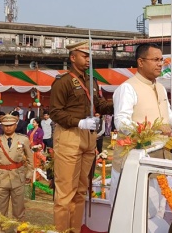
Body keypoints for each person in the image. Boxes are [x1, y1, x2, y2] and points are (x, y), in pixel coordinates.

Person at [112, 43, 172, 205]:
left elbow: (168, 117)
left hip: (160, 159)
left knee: (158, 211)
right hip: (135, 162)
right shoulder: (128, 88)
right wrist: (152, 128)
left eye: (161, 60)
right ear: (141, 62)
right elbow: (121, 122)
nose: (160, 64)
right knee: (134, 215)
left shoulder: (160, 87)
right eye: (155, 59)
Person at [49, 41, 113, 233]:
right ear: (72, 57)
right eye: (84, 55)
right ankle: (62, 230)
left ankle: (74, 229)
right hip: (69, 135)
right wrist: (79, 122)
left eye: (89, 56)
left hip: (88, 137)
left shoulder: (92, 81)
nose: (88, 59)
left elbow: (100, 105)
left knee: (81, 191)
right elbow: (55, 112)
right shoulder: (63, 82)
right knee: (65, 192)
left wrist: (117, 101)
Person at [0, 114, 33, 230]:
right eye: (5, 125)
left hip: (18, 177)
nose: (8, 128)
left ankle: (19, 230)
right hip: (0, 178)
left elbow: (30, 158)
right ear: (1, 126)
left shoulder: (23, 139)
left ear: (15, 125)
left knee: (19, 209)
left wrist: (29, 173)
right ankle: (1, 231)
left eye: (11, 125)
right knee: (0, 210)